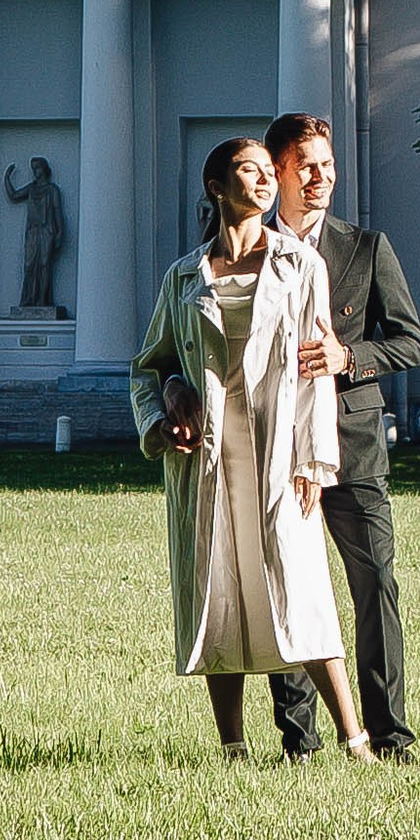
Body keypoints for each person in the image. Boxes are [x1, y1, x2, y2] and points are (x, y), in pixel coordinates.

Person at [131, 135, 374, 760]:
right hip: (208, 454)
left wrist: (315, 461)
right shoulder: (183, 275)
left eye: (270, 172)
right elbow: (149, 367)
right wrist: (165, 412)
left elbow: (318, 367)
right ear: (218, 187)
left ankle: (355, 739)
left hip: (280, 453)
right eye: (251, 171)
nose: (267, 181)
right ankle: (232, 746)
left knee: (300, 590)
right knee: (218, 589)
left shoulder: (300, 266)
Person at [263, 113, 420, 763]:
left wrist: (348, 356)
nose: (322, 177)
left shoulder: (365, 248)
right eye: (308, 165)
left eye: (328, 166)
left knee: (376, 584)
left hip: (354, 449)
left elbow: (412, 343)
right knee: (289, 592)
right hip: (279, 452)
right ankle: (298, 744)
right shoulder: (248, 255)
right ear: (279, 169)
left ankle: (390, 739)